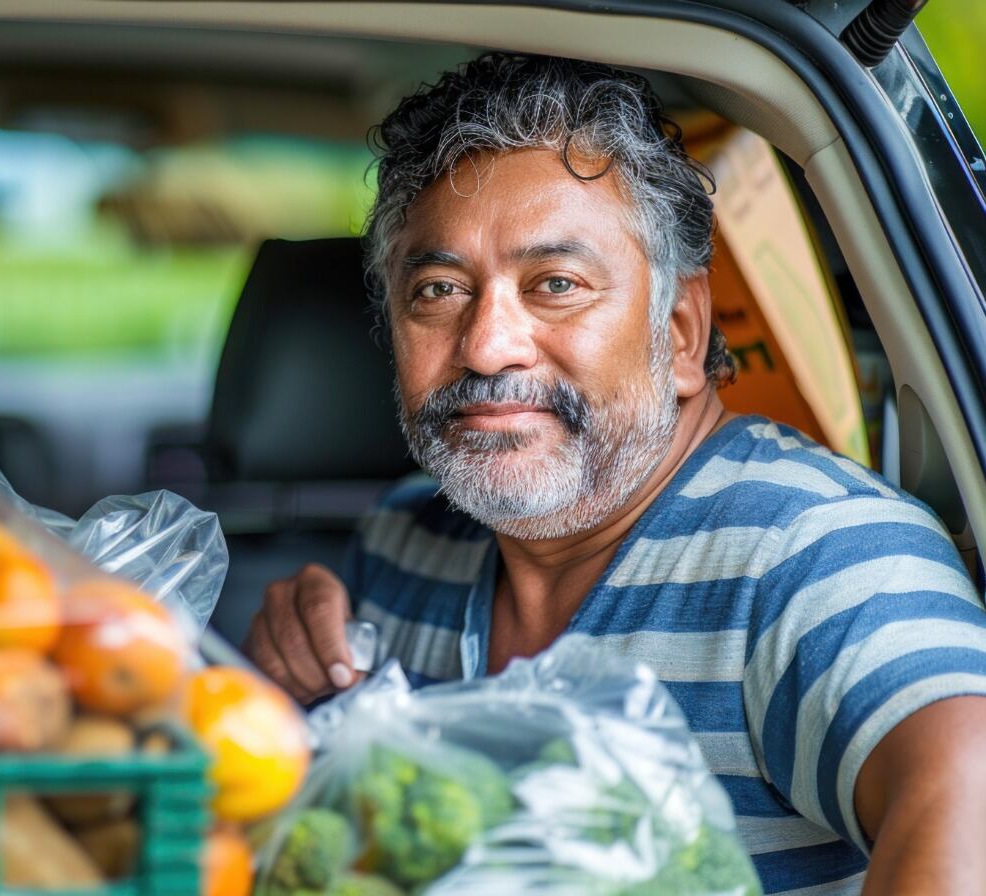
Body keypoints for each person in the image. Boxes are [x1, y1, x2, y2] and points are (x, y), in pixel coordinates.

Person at [243, 53, 986, 895]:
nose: (488, 346)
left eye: (556, 284)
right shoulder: (403, 544)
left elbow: (966, 786)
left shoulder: (814, 551)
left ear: (677, 332)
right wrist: (289, 701)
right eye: (440, 290)